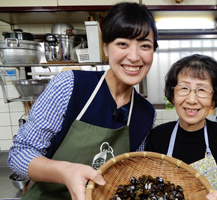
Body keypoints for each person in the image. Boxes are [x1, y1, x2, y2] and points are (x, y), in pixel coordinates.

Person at [8, 2, 158, 200]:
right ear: (106, 48)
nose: (134, 56)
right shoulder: (70, 85)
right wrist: (64, 171)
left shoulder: (146, 114)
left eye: (145, 46)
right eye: (122, 44)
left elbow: (127, 174)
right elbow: (19, 154)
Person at [145, 54, 217, 200]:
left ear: (214, 99)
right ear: (172, 95)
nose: (191, 100)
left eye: (202, 90)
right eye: (184, 88)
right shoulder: (157, 136)